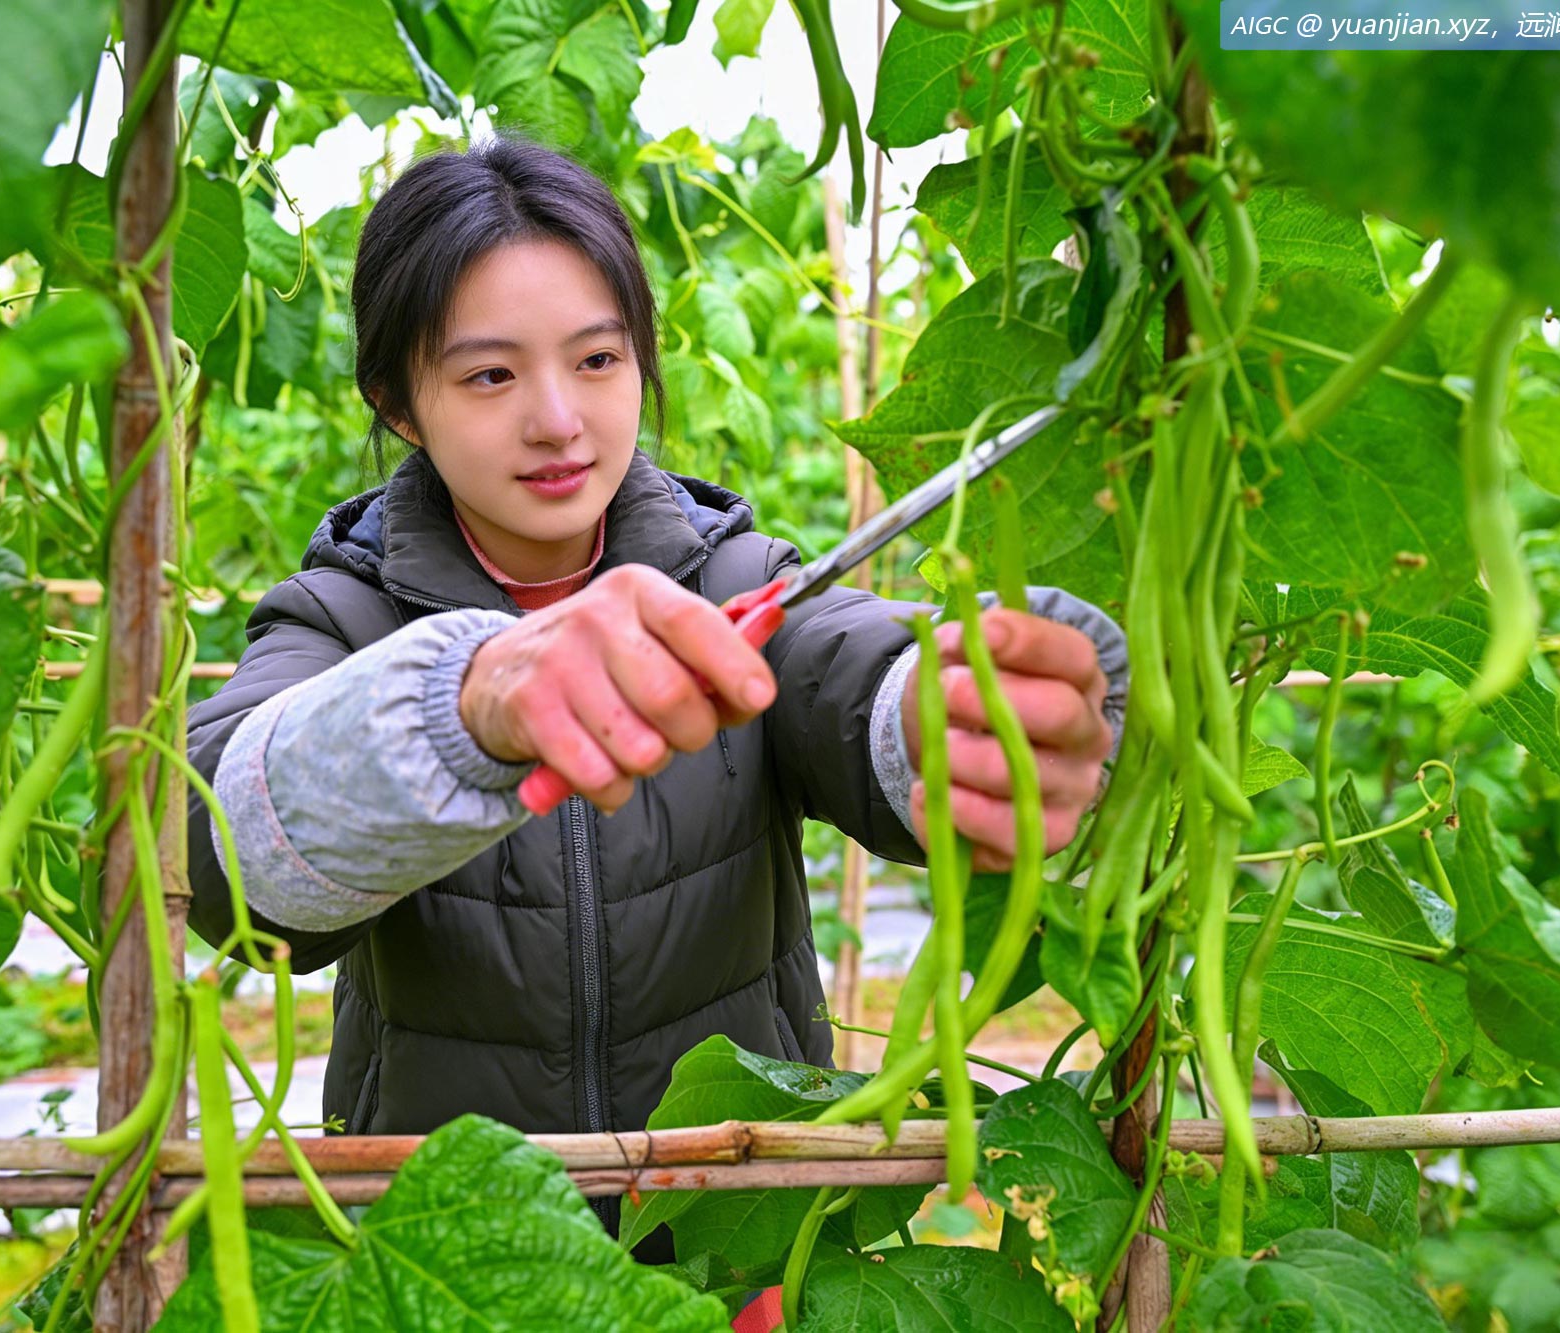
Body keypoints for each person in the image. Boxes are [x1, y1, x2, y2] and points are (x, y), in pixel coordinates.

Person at [185, 135, 1128, 1271]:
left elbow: (852, 673)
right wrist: (467, 700)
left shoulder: (740, 586)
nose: (558, 420)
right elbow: (226, 853)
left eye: (596, 359)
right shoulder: (339, 622)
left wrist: (948, 709)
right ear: (397, 402)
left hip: (727, 1227)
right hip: (458, 1252)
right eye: (489, 375)